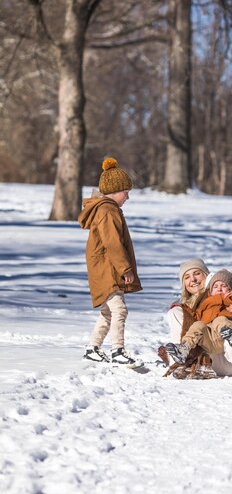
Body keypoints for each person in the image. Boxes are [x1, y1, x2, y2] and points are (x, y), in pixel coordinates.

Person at [78, 157, 143, 367]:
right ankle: (118, 351)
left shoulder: (106, 209)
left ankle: (92, 348)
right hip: (107, 269)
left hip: (105, 268)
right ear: (116, 190)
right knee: (119, 310)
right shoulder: (107, 210)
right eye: (126, 192)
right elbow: (113, 243)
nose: (128, 197)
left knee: (108, 311)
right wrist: (125, 269)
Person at [164, 268, 232, 363]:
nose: (219, 288)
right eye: (215, 286)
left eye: (224, 286)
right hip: (209, 341)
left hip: (225, 340)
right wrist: (184, 308)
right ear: (211, 290)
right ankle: (184, 348)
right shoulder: (207, 303)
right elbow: (197, 316)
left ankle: (229, 334)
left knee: (220, 319)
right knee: (198, 325)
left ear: (230, 289)